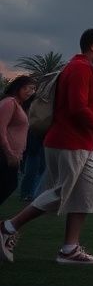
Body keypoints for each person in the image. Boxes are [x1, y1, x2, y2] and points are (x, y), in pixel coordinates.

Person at [0, 28, 93, 264]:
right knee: (62, 192)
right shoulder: (79, 68)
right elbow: (77, 108)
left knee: (87, 194)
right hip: (69, 141)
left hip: (83, 142)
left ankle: (69, 249)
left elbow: (87, 103)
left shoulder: (84, 70)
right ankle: (7, 227)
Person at [0, 76, 36, 205]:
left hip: (13, 154)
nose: (30, 92)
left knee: (9, 184)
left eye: (33, 89)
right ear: (18, 87)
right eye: (27, 88)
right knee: (9, 184)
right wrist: (9, 152)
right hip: (4, 153)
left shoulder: (18, 105)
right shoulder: (9, 102)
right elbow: (1, 128)